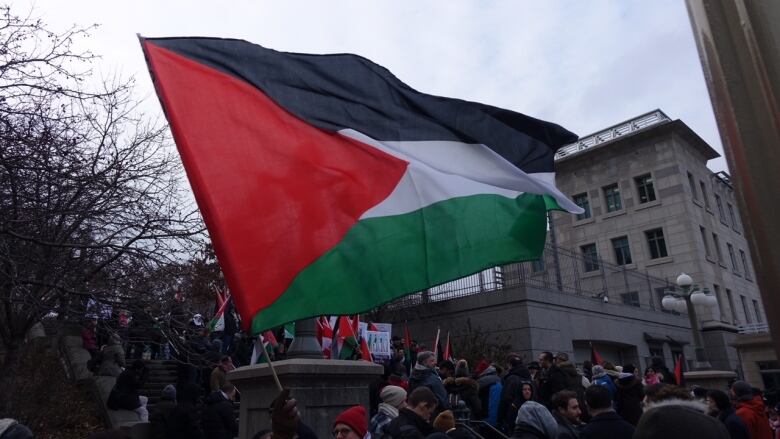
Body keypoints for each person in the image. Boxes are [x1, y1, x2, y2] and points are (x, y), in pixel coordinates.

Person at [635, 384, 729, 439]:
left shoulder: (652, 420)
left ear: (652, 402)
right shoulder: (715, 424)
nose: (643, 409)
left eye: (643, 405)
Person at [500, 354, 533, 432]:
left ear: (510, 365)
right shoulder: (530, 379)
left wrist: (500, 418)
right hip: (530, 416)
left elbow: (505, 399)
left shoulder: (511, 378)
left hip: (513, 416)